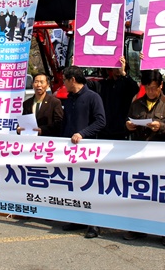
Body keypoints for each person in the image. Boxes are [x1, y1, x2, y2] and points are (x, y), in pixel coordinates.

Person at [123, 69, 165, 247]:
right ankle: (138, 227)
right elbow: (129, 120)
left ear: (161, 86)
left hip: (161, 155)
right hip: (140, 154)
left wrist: (161, 126)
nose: (150, 92)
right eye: (147, 88)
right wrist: (129, 125)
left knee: (162, 194)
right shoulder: (137, 103)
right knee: (140, 192)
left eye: (154, 88)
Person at [60, 65, 106, 239]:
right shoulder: (70, 98)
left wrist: (82, 133)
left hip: (88, 151)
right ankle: (76, 218)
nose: (63, 83)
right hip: (69, 151)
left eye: (65, 80)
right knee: (74, 185)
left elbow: (101, 122)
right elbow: (65, 123)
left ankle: (94, 224)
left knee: (90, 187)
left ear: (73, 80)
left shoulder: (93, 97)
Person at [98, 56, 139, 140]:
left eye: (119, 66)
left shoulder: (127, 83)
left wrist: (123, 73)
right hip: (104, 130)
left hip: (121, 130)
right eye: (115, 66)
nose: (117, 69)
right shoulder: (104, 84)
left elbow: (135, 88)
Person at [17, 73, 63, 137]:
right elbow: (25, 119)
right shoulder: (27, 103)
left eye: (42, 82)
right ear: (32, 84)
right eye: (36, 82)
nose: (38, 85)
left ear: (47, 85)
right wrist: (19, 128)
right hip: (30, 139)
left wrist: (43, 130)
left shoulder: (54, 102)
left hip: (47, 140)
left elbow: (59, 123)